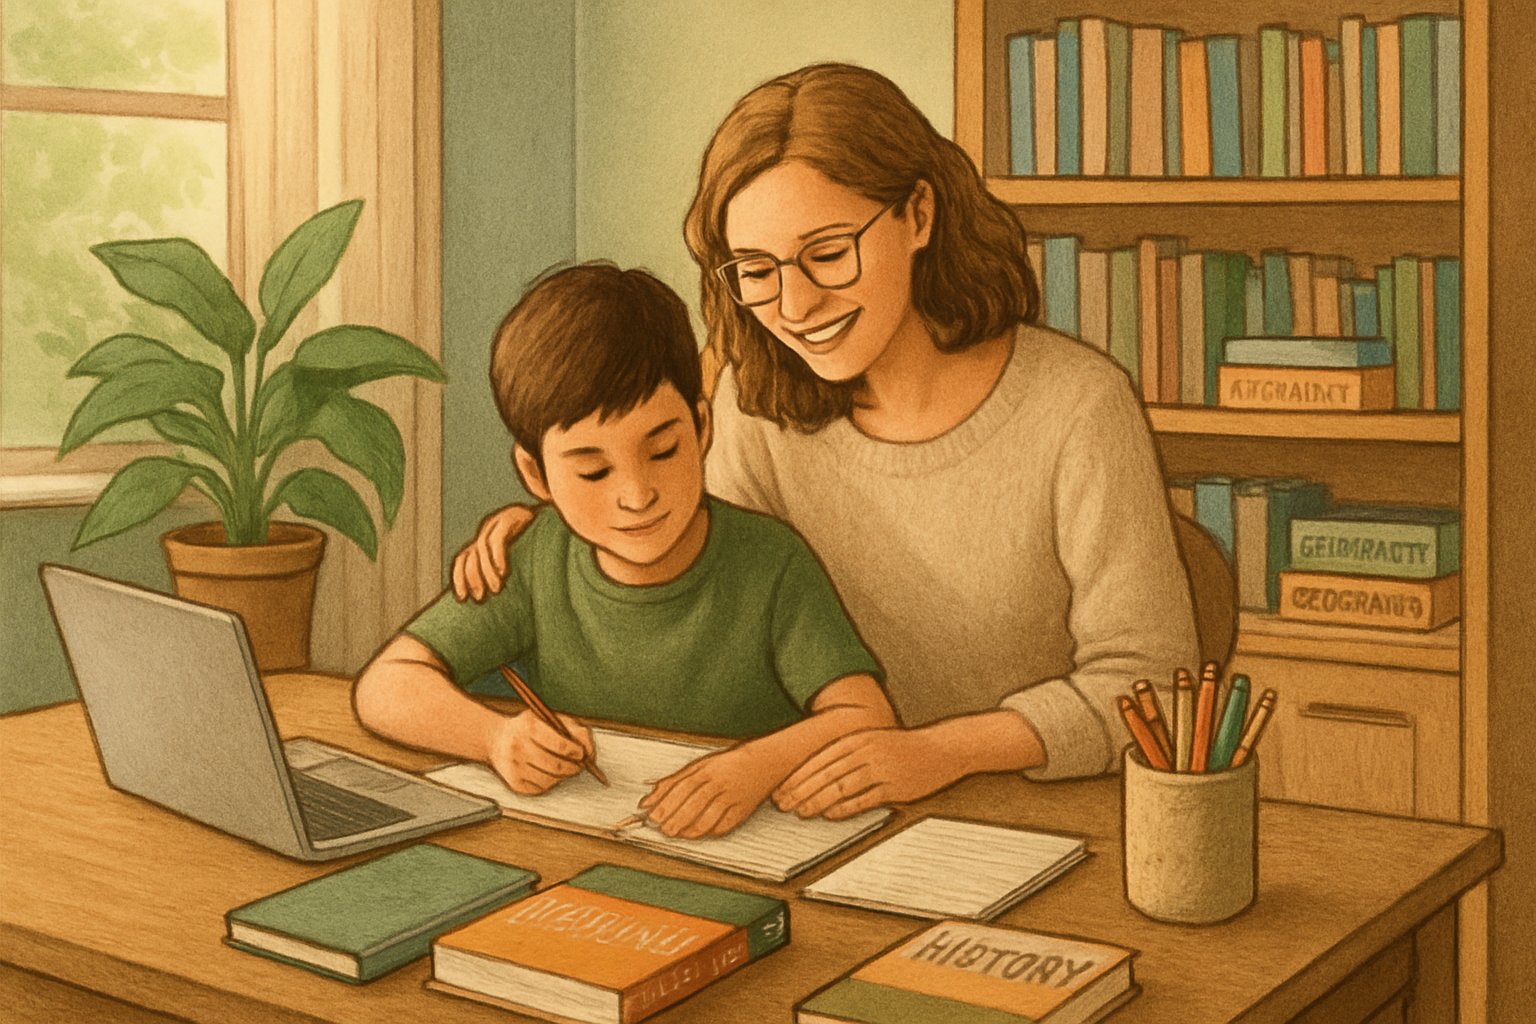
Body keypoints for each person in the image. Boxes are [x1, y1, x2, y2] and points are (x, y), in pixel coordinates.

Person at [450, 63, 1198, 820]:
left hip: (1034, 818)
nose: (797, 305)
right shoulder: (752, 404)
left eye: (829, 253)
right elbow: (693, 561)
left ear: (918, 215)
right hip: (812, 817)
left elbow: (1155, 687)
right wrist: (552, 537)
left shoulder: (1077, 405)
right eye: (757, 271)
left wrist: (942, 752)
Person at [353, 262, 895, 839]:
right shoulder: (536, 556)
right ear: (535, 474)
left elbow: (867, 715)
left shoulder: (769, 562)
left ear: (702, 427)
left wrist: (754, 766)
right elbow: (384, 686)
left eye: (663, 450)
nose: (637, 496)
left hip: (749, 847)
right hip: (590, 852)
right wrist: (495, 738)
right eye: (592, 470)